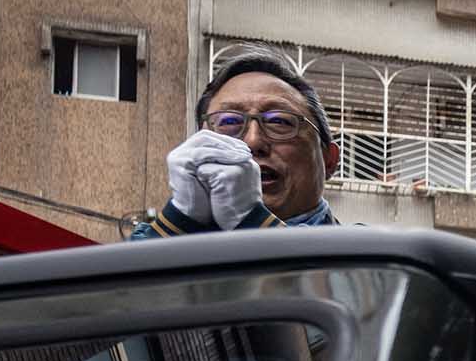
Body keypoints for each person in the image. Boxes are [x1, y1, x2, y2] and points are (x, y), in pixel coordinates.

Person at [133, 49, 344, 238]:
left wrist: (251, 222)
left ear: (329, 160)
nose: (253, 141)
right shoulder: (148, 240)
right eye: (229, 122)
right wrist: (182, 219)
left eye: (279, 121)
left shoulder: (368, 254)